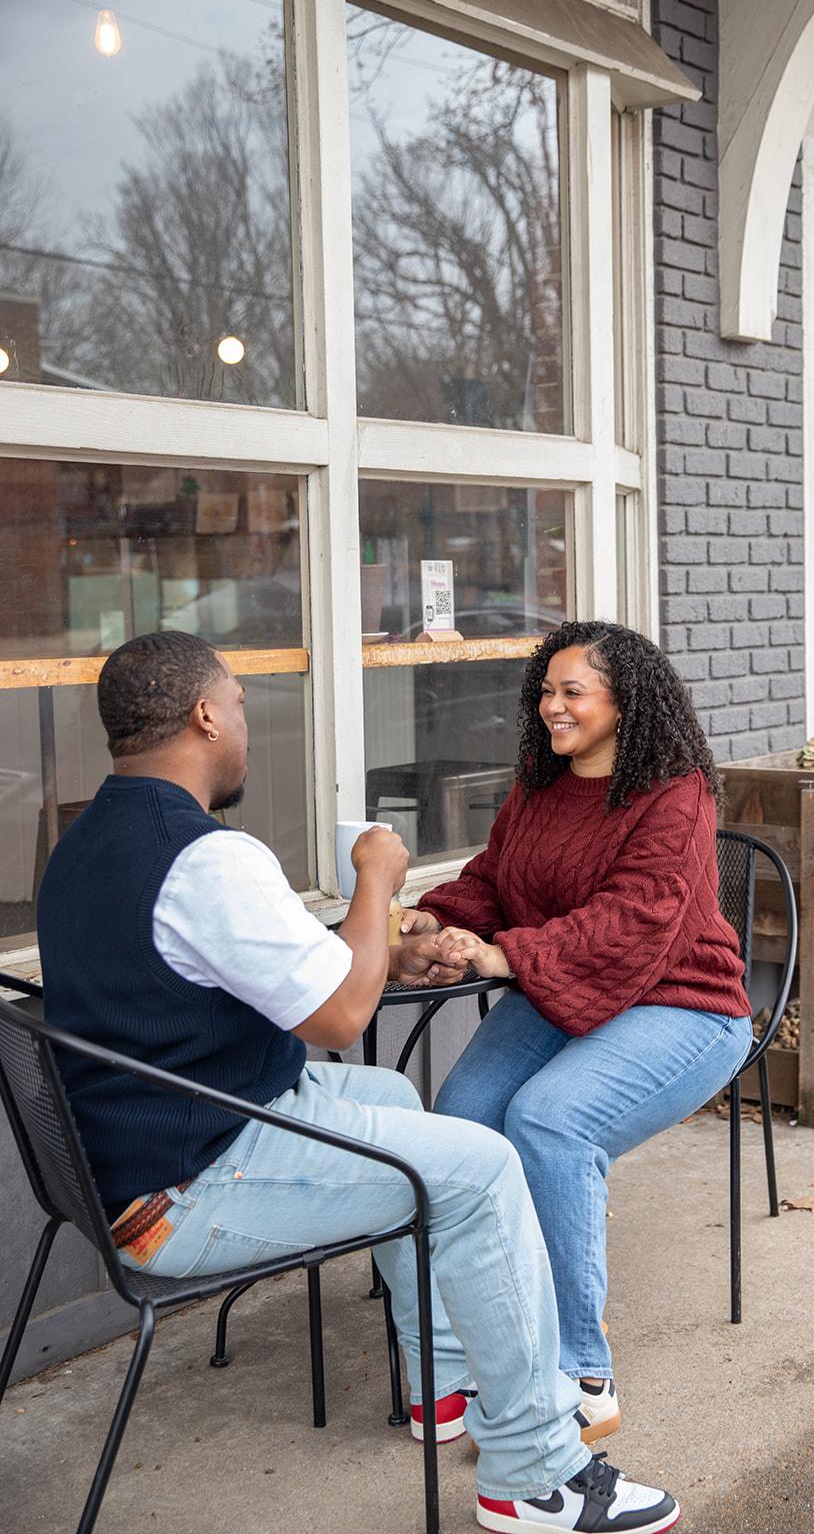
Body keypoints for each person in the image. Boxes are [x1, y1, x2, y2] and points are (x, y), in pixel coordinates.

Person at [35, 631, 679, 1534]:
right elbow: (339, 1017)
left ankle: (439, 1385)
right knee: (483, 1167)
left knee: (394, 1099)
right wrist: (375, 881)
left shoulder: (82, 841)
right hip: (182, 1185)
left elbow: (248, 964)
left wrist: (386, 945)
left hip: (135, 1143)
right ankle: (536, 1474)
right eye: (242, 708)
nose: (246, 730)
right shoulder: (207, 857)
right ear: (206, 716)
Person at [409, 621, 752, 1443]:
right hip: (566, 987)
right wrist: (439, 920)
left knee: (550, 1122)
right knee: (460, 1124)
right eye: (545, 691)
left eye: (572, 692)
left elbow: (635, 917)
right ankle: (472, 1353)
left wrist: (504, 955)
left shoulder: (675, 794)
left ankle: (579, 1372)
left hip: (683, 1001)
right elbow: (495, 877)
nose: (550, 707)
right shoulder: (538, 784)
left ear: (624, 702)